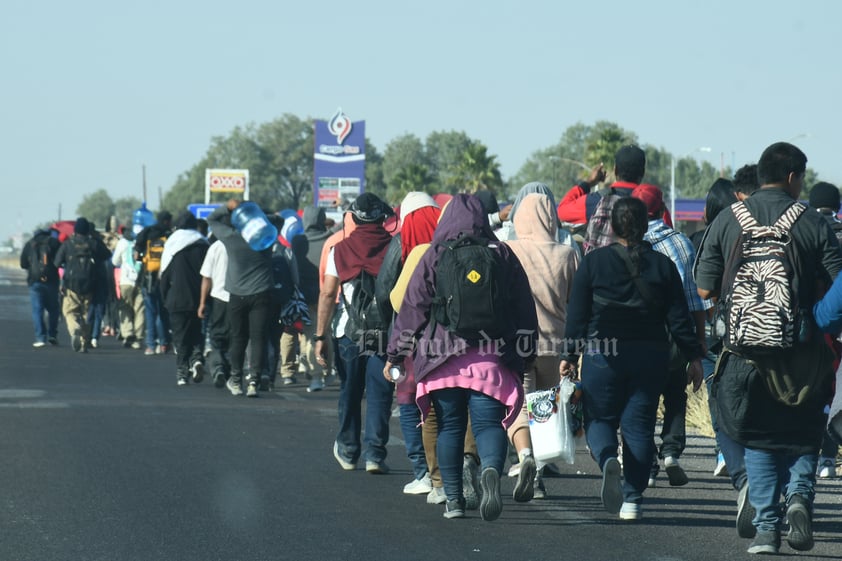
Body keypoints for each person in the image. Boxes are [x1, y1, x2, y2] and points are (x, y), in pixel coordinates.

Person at [695, 142, 842, 554]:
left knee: (755, 435)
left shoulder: (728, 219)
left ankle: (766, 531)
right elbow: (839, 281)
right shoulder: (812, 221)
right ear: (794, 177)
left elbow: (704, 287)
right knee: (803, 432)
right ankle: (798, 497)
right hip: (802, 350)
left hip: (743, 354)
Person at [384, 194, 538, 521]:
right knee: (487, 424)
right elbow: (524, 307)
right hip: (491, 359)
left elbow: (413, 309)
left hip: (441, 360)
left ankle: (453, 500)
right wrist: (527, 352)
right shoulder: (503, 254)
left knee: (450, 429)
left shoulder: (433, 255)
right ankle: (492, 469)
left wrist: (396, 354)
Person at [560, 197, 704, 522]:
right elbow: (679, 319)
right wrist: (694, 357)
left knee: (598, 420)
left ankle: (609, 457)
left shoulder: (594, 262)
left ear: (612, 226)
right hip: (651, 356)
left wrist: (569, 354)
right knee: (638, 428)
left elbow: (577, 315)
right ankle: (633, 499)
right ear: (645, 223)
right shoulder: (663, 266)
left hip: (602, 356)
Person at [631, 184, 710, 488]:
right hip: (676, 336)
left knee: (643, 398)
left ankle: (647, 459)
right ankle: (672, 451)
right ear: (661, 207)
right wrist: (698, 343)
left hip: (638, 337)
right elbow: (695, 300)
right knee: (676, 393)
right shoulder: (680, 243)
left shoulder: (626, 243)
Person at [503, 192, 579, 500]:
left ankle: (524, 458)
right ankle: (538, 479)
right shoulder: (568, 254)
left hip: (517, 342)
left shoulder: (508, 250)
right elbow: (575, 302)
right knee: (543, 410)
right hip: (554, 344)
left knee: (517, 405)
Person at [314, 193, 395, 475]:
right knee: (380, 393)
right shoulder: (395, 247)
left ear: (354, 217)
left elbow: (327, 293)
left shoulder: (341, 248)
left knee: (350, 391)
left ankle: (348, 451)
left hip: (348, 333)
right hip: (384, 333)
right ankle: (375, 454)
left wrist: (320, 336)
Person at [375, 192, 441, 496]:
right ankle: (443, 472)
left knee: (408, 400)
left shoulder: (404, 244)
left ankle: (422, 471)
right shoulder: (447, 241)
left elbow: (385, 290)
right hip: (443, 339)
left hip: (408, 336)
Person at [207, 200, 275, 398]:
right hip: (262, 293)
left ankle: (236, 380)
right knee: (258, 338)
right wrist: (257, 213)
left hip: (236, 295)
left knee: (238, 338)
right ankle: (253, 381)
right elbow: (277, 218)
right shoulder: (267, 237)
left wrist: (228, 209)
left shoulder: (231, 237)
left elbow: (211, 219)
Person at [806, 181, 842, 479]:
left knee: (813, 389)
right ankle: (829, 459)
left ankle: (807, 453)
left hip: (815, 322)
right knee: (835, 394)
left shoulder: (808, 232)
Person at [160, 211, 209, 386]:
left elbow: (164, 275)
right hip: (199, 298)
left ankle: (182, 372)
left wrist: (165, 297)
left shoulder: (172, 245)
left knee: (180, 337)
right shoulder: (203, 244)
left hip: (177, 298)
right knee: (197, 332)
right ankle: (196, 359)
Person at [54, 218, 112, 352]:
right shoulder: (93, 243)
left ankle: (75, 329)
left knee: (70, 311)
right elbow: (107, 255)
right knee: (86, 314)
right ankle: (84, 343)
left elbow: (56, 263)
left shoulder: (68, 244)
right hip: (90, 284)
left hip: (71, 285)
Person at [298, 207, 332, 392]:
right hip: (328, 292)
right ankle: (330, 371)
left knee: (312, 336)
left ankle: (316, 376)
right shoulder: (329, 239)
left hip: (305, 296)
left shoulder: (298, 240)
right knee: (328, 334)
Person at [134, 210, 173, 355]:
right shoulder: (169, 234)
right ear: (167, 221)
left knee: (150, 312)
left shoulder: (146, 232)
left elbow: (137, 255)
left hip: (148, 277)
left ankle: (150, 345)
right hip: (164, 279)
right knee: (163, 312)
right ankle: (163, 344)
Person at [197, 237, 231, 389]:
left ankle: (218, 367)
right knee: (235, 337)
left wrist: (202, 303)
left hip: (218, 298)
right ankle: (231, 372)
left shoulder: (216, 247)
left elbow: (206, 278)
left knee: (217, 337)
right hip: (239, 298)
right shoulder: (242, 243)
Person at [20, 227, 61, 347]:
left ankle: (40, 337)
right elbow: (60, 260)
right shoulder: (54, 242)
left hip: (35, 281)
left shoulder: (30, 244)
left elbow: (23, 264)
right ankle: (52, 334)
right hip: (52, 281)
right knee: (53, 309)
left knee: (37, 310)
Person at [111, 225, 145, 349]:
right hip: (140, 281)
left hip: (125, 280)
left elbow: (115, 262)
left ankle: (128, 333)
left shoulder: (123, 243)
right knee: (139, 310)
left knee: (125, 307)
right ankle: (138, 337)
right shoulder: (142, 242)